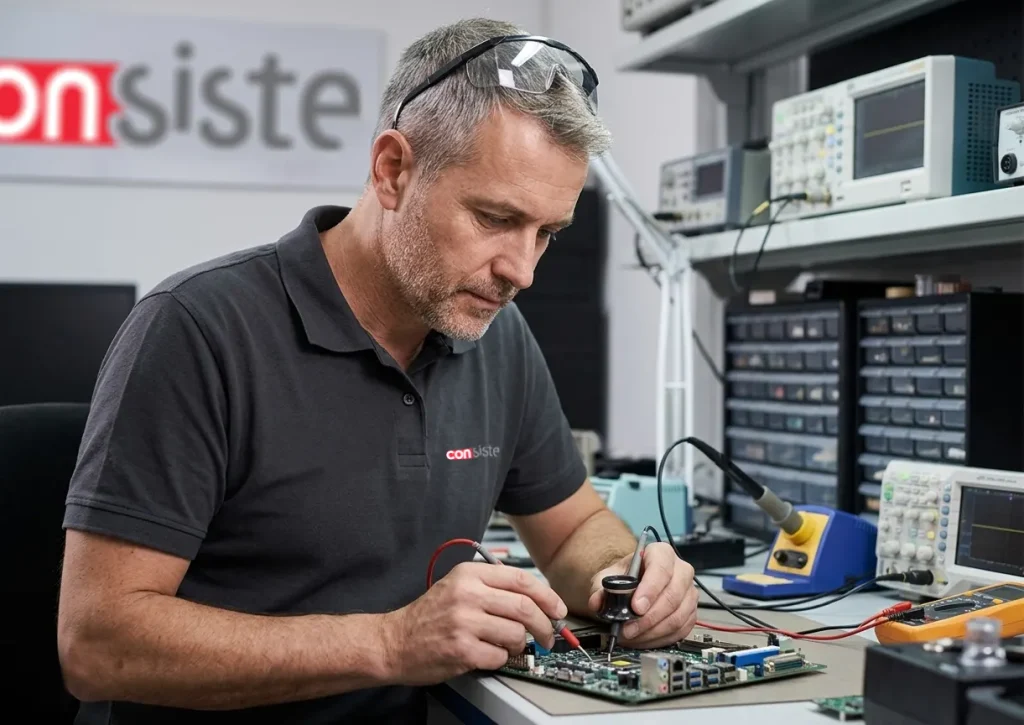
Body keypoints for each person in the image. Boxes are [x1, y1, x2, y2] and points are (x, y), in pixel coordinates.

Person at [56, 17, 699, 724]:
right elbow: (96, 644)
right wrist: (390, 643)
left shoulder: (497, 335)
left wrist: (623, 577)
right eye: (494, 218)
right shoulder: (197, 330)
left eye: (546, 233)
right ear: (392, 170)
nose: (522, 271)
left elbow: (575, 529)